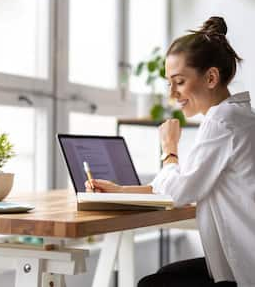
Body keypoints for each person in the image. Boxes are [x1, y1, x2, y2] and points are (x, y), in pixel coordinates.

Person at [85, 16, 255, 286]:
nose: (173, 94)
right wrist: (120, 190)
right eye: (169, 83)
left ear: (211, 77)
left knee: (154, 283)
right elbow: (186, 182)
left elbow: (179, 192)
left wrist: (169, 148)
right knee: (164, 276)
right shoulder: (237, 116)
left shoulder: (221, 122)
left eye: (179, 82)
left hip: (244, 270)